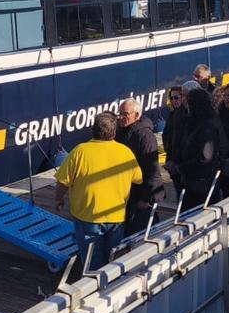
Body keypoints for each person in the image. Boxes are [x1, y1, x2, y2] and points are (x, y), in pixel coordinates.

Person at [54, 112, 142, 271]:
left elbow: (62, 182)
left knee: (92, 264)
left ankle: (95, 289)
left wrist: (59, 199)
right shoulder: (125, 152)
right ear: (114, 132)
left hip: (88, 218)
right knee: (113, 262)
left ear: (92, 130)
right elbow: (138, 179)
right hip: (116, 218)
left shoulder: (80, 151)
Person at [116, 97, 164, 234]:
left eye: (125, 114)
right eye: (119, 114)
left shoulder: (145, 136)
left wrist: (147, 198)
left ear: (137, 115)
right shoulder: (122, 132)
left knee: (142, 228)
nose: (121, 118)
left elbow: (152, 168)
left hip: (140, 192)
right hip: (127, 191)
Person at [177, 88, 227, 209]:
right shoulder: (197, 121)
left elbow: (205, 157)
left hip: (202, 182)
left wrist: (182, 167)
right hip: (196, 180)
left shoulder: (207, 125)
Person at [162, 86, 189, 199]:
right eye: (171, 98)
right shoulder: (173, 114)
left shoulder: (186, 115)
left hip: (181, 162)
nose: (174, 101)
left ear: (183, 98)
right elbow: (166, 134)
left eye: (176, 97)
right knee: (178, 191)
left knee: (184, 193)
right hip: (172, 160)